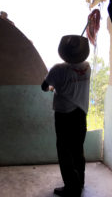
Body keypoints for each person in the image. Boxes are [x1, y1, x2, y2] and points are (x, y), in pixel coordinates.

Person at [41, 35, 91, 197]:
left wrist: (53, 88)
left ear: (64, 52)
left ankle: (71, 187)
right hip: (81, 113)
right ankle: (80, 181)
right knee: (77, 149)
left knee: (64, 151)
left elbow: (44, 86)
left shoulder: (58, 69)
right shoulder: (87, 67)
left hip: (64, 116)